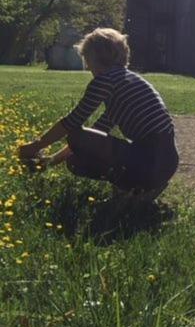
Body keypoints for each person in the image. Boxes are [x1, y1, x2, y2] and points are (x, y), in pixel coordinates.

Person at [18, 28, 179, 202]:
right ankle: (140, 188)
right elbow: (96, 133)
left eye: (86, 60)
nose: (87, 67)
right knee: (75, 160)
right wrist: (51, 161)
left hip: (147, 159)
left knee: (75, 136)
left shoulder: (104, 80)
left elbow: (73, 122)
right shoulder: (128, 82)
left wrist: (36, 146)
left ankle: (138, 188)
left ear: (93, 58)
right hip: (166, 162)